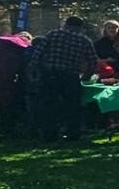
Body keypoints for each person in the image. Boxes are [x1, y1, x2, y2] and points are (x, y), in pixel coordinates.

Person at [32, 16, 99, 144]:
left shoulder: (53, 34)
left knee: (49, 105)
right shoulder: (84, 40)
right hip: (70, 76)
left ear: (65, 24)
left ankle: (49, 135)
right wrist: (86, 76)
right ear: (80, 27)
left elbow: (38, 53)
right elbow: (93, 61)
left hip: (50, 74)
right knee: (73, 106)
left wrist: (35, 71)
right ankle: (73, 134)